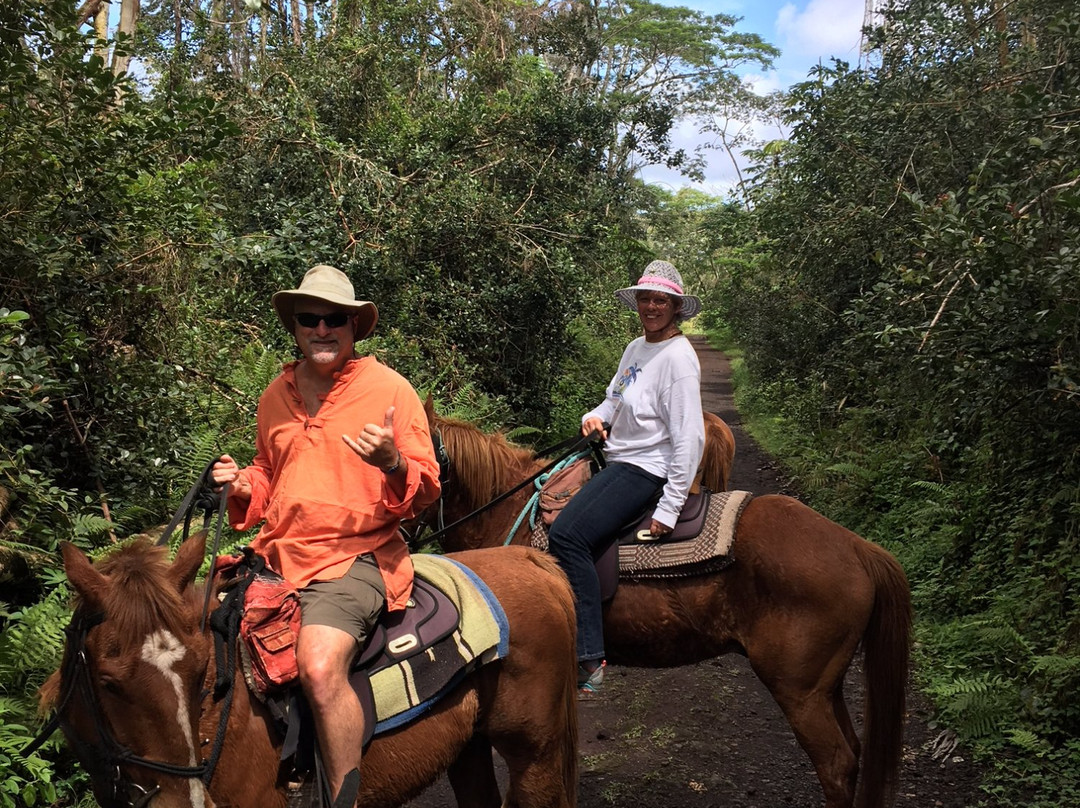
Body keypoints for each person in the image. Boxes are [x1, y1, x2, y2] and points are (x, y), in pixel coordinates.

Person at [210, 264, 441, 804]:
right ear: (294, 326)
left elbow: (426, 485)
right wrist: (241, 482)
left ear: (353, 326)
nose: (321, 328)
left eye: (333, 318)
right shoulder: (275, 395)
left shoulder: (390, 390)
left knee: (317, 663)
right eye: (309, 318)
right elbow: (272, 472)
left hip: (356, 554)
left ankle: (344, 798)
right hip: (277, 553)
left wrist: (392, 462)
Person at [547, 259, 705, 695]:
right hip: (618, 458)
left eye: (661, 300)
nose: (652, 306)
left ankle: (588, 655)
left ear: (676, 307)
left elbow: (690, 438)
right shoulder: (636, 348)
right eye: (646, 299)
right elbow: (612, 401)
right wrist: (593, 418)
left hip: (645, 468)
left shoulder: (679, 359)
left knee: (567, 536)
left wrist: (670, 506)